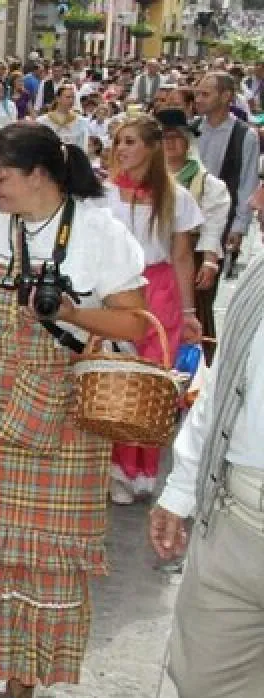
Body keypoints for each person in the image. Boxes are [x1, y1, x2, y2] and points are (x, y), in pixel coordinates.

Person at [0, 123, 148, 698]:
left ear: (40, 175)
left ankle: (24, 673)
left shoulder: (100, 233)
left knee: (43, 560)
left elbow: (133, 324)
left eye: (1, 178)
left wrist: (72, 314)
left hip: (64, 419)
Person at [150, 241, 264, 698]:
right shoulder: (260, 276)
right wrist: (180, 492)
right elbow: (222, 386)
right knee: (202, 683)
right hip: (234, 519)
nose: (256, 201)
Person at [93, 114, 204, 504]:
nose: (122, 149)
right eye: (119, 141)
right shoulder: (101, 194)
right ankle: (117, 468)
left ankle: (145, 469)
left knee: (154, 382)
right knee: (117, 377)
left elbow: (181, 256)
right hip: (116, 291)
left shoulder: (177, 197)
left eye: (131, 142)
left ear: (152, 148)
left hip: (161, 294)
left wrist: (189, 314)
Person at [195, 72, 260, 345]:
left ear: (225, 97)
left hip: (222, 221)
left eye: (206, 94)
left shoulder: (245, 135)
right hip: (189, 220)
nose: (199, 99)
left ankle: (206, 351)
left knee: (204, 292)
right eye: (198, 93)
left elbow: (247, 181)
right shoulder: (193, 129)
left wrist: (240, 225)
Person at [158, 110, 232, 323]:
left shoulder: (208, 184)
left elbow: (212, 226)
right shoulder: (146, 181)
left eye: (176, 137)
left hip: (191, 256)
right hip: (153, 258)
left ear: (188, 142)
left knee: (195, 316)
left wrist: (209, 261)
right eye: (164, 138)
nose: (170, 143)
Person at [37, 83, 90, 152]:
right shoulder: (43, 121)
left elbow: (83, 148)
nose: (71, 100)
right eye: (68, 97)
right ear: (58, 98)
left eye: (73, 97)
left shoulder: (81, 122)